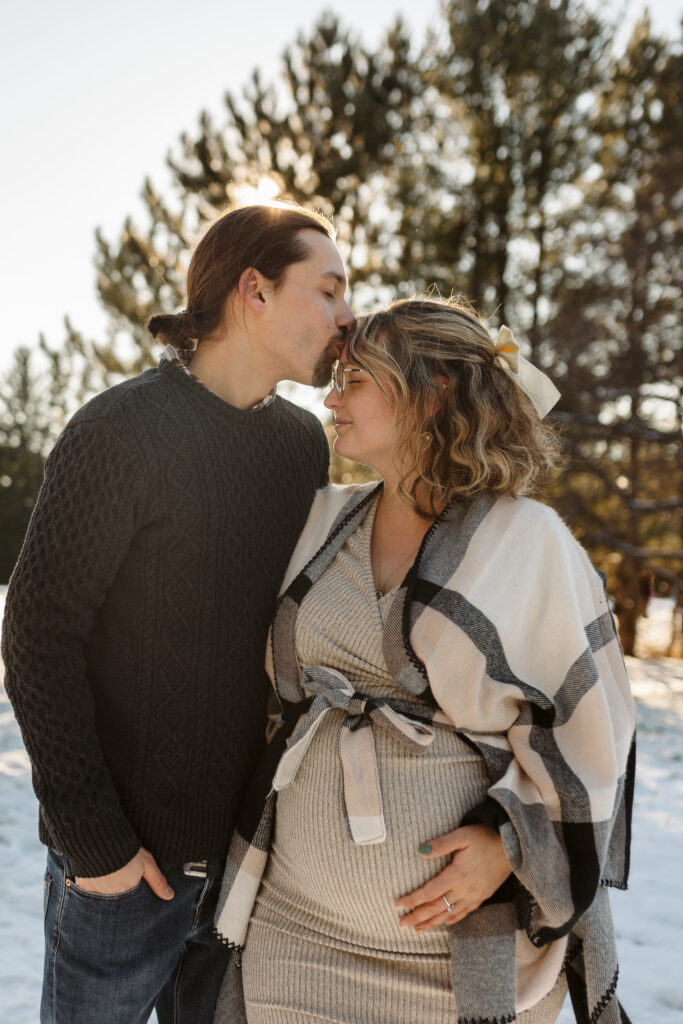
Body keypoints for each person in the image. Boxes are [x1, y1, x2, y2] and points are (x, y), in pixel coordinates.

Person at [214, 297, 636, 1024]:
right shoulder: (320, 519)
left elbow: (594, 738)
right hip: (295, 929)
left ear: (431, 390)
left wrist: (511, 847)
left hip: (454, 960)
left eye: (354, 380)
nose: (330, 397)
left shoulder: (525, 542)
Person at [1, 200, 353, 1024]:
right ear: (253, 291)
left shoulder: (302, 444)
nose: (347, 317)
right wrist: (98, 846)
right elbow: (37, 638)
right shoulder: (119, 431)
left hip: (246, 869)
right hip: (126, 872)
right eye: (330, 289)